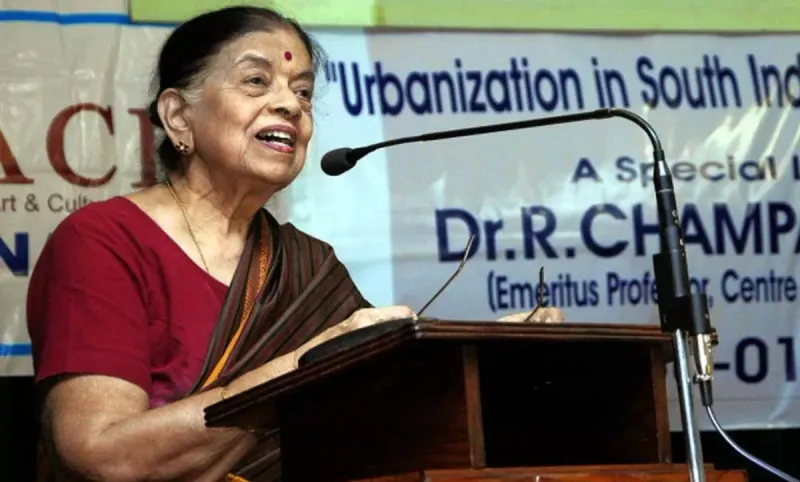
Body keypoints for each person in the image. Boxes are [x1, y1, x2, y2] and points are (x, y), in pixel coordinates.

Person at [26, 6, 565, 482]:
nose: (290, 104)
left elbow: (383, 406)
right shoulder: (103, 242)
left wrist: (485, 350)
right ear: (177, 116)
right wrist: (307, 366)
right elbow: (101, 457)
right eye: (256, 81)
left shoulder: (307, 265)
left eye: (303, 91)